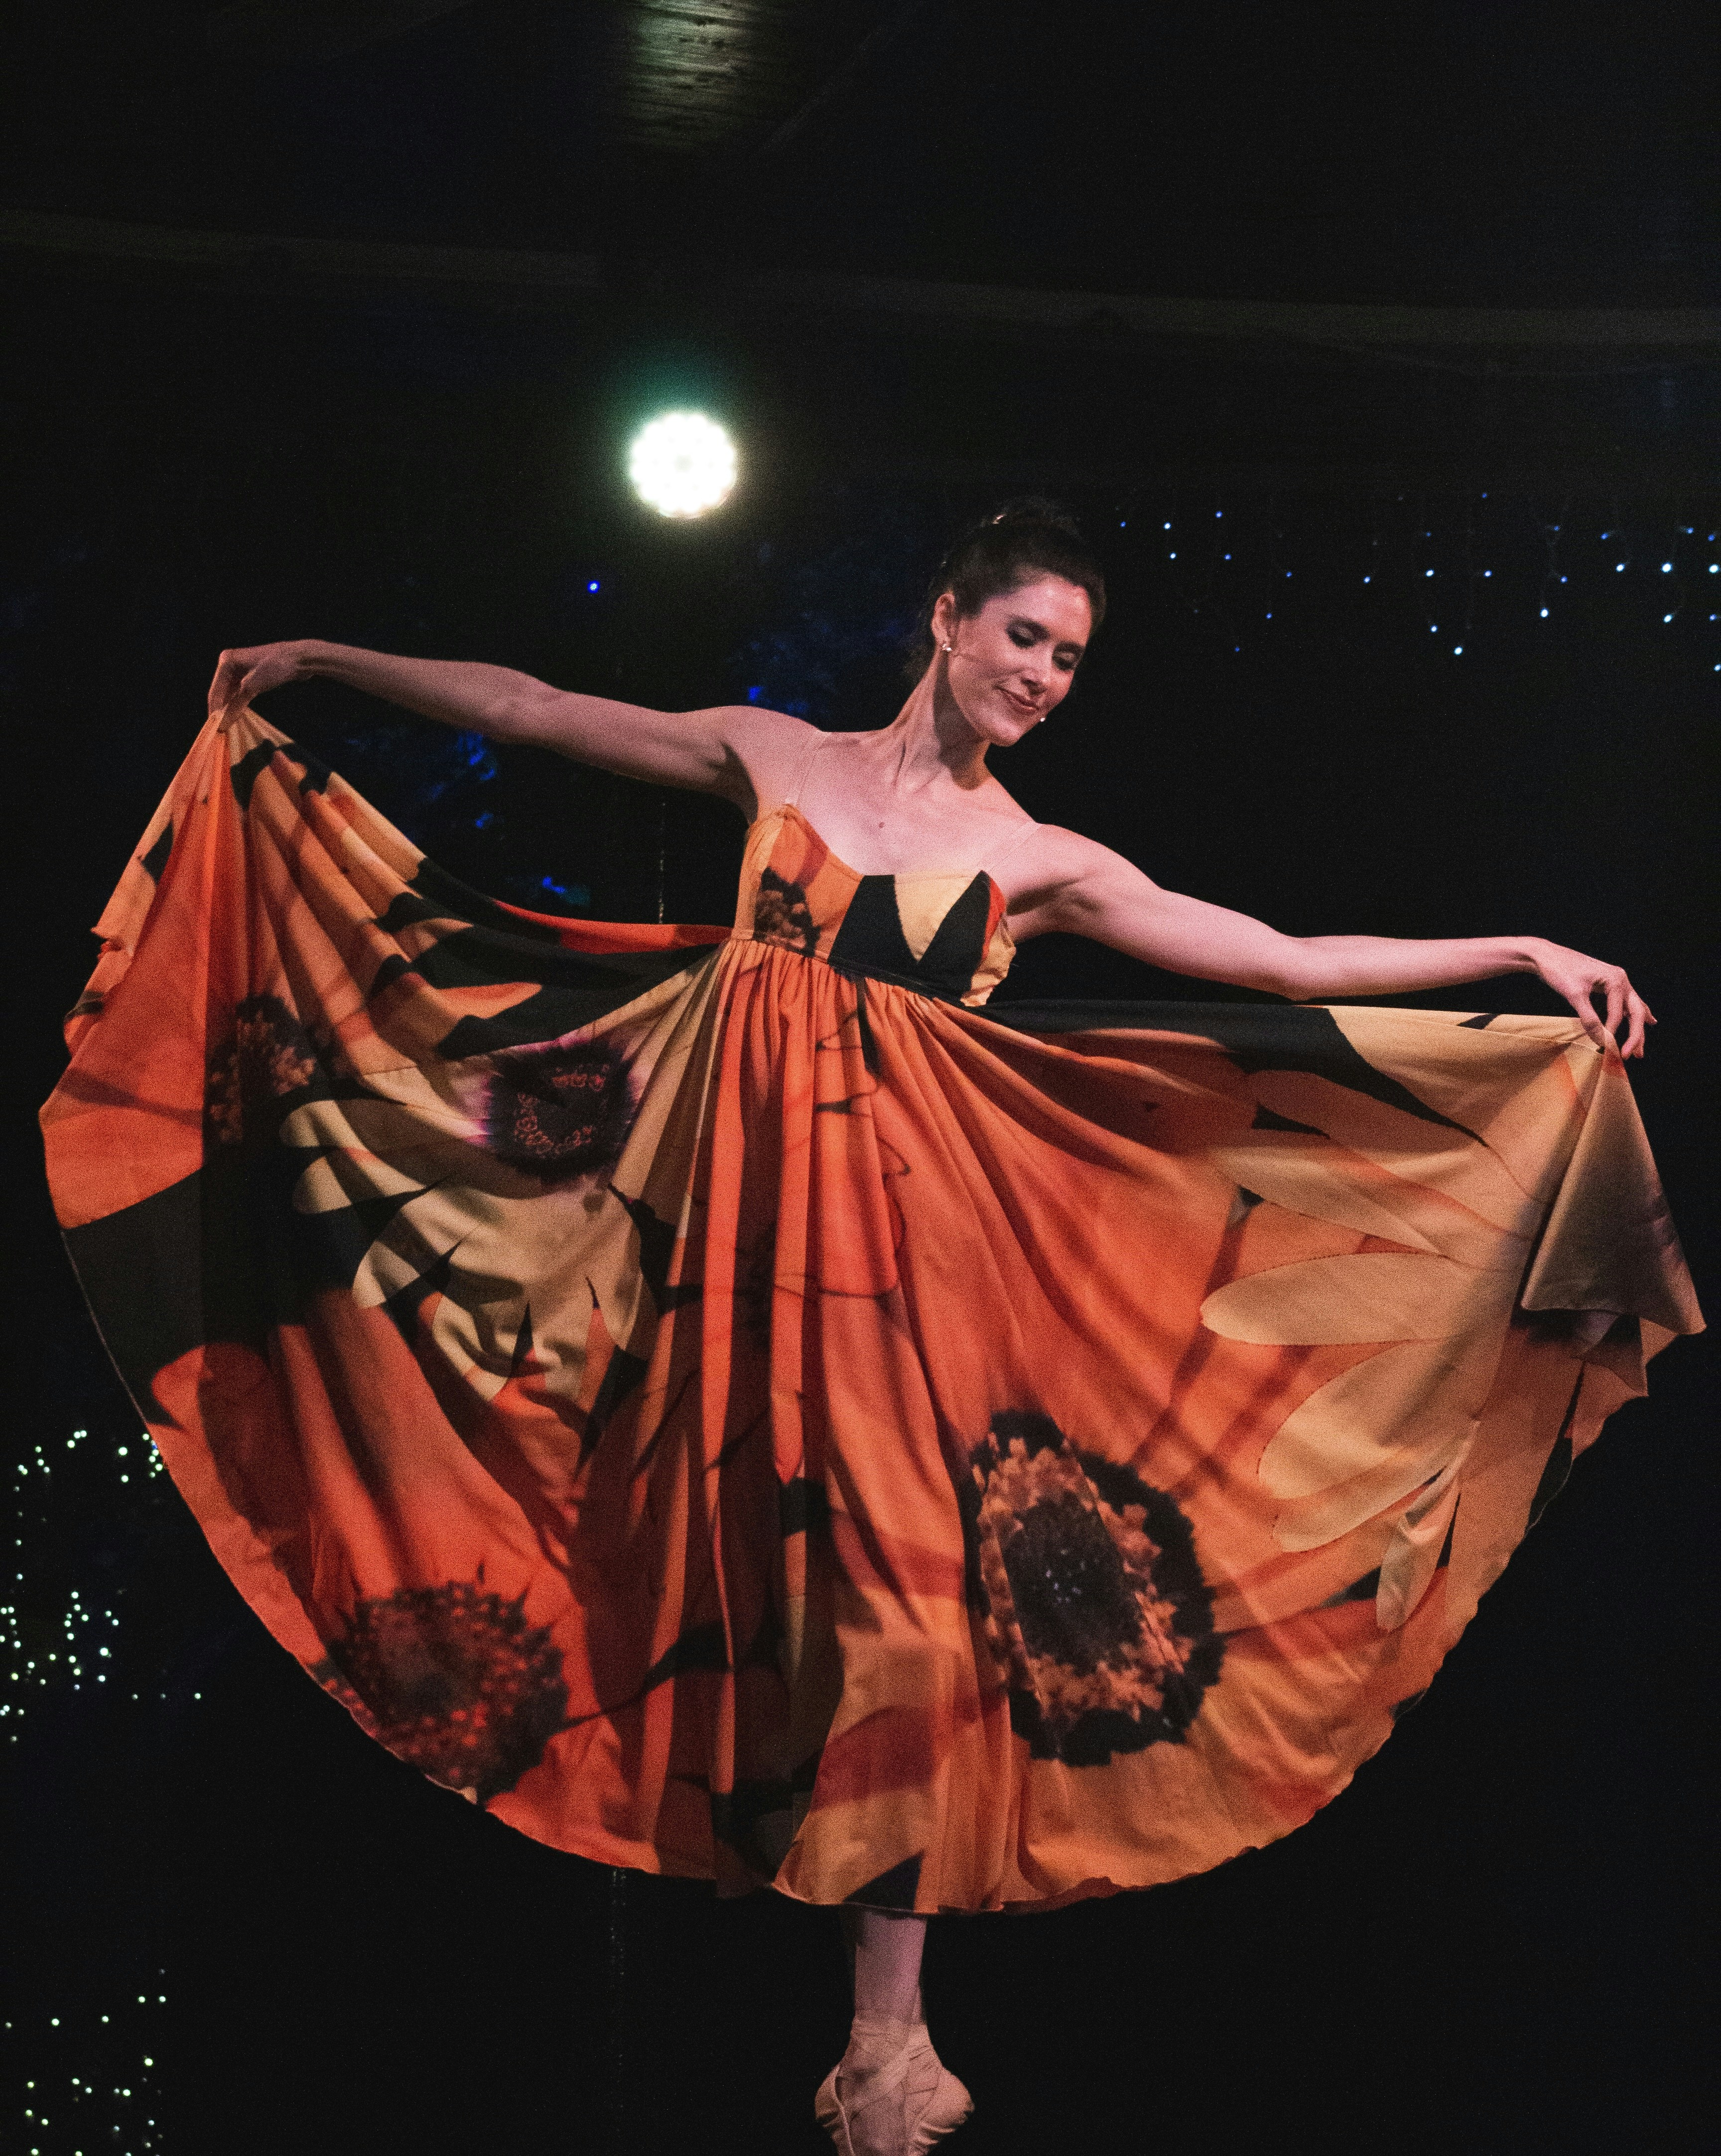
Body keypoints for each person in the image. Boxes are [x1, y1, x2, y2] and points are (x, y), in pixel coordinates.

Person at [46, 506, 1697, 2156]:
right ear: (951, 621)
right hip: (712, 1220)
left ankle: (884, 2045)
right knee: (634, 1509)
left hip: (904, 1261)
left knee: (903, 1619)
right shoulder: (776, 759)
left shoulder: (1042, 862)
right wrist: (329, 659)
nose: (1048, 678)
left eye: (1071, 660)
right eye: (1028, 640)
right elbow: (537, 709)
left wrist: (1518, 950)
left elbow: (1279, 961)